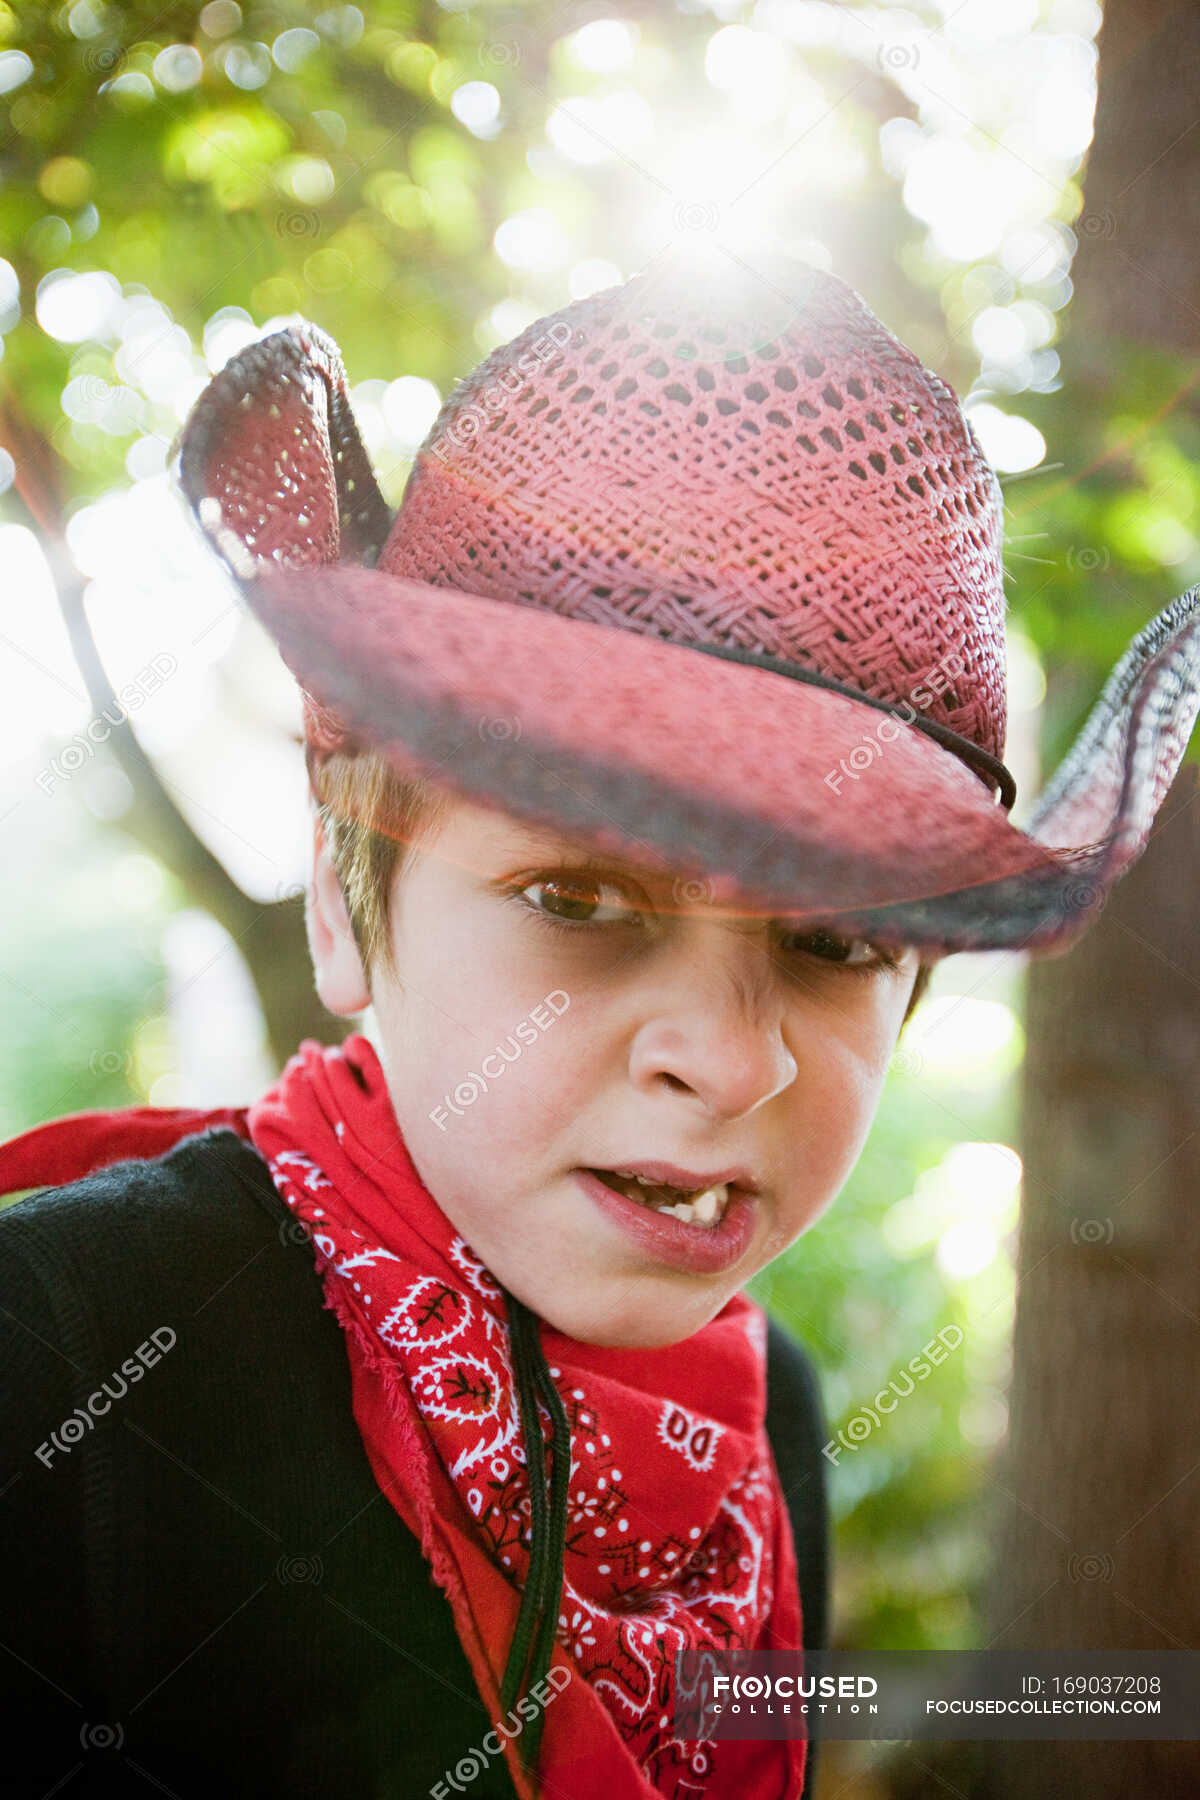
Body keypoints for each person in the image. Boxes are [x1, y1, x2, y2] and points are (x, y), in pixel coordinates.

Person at [2, 251, 1198, 1800]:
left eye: (834, 942)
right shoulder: (69, 1354)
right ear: (338, 901)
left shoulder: (773, 1428)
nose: (730, 1053)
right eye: (578, 902)